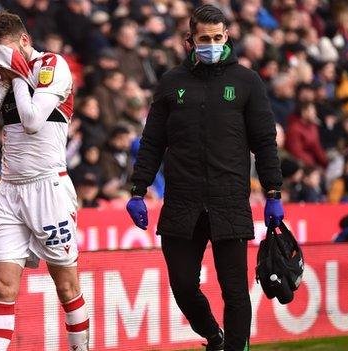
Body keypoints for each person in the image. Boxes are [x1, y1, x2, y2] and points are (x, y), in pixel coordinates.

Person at [125, 5, 283, 351]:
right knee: (182, 285)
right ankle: (214, 337)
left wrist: (274, 191)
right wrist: (138, 189)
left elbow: (264, 141)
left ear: (226, 36)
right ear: (189, 41)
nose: (211, 43)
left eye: (217, 37)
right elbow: (153, 140)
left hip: (229, 200)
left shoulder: (247, 81)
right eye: (203, 38)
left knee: (235, 290)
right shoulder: (171, 83)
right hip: (182, 201)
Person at [0, 11, 88, 351]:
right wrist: (2, 84)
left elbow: (34, 120)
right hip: (10, 190)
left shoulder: (52, 65)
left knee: (66, 285)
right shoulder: (4, 76)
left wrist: (19, 77)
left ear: (24, 41)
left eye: (4, 51)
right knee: (2, 287)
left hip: (49, 186)